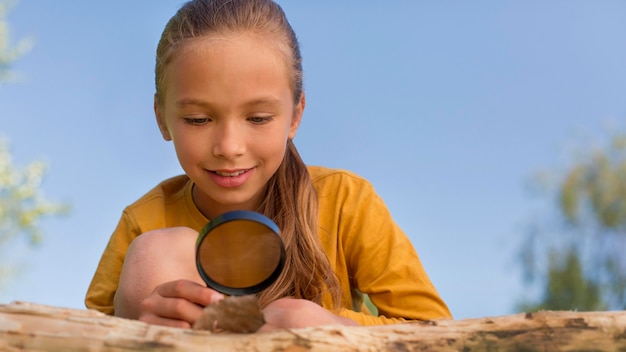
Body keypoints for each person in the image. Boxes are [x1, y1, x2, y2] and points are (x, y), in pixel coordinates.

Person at [85, 0, 451, 330]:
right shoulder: (145, 220)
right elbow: (80, 333)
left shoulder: (345, 202)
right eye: (198, 120)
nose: (229, 148)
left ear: (295, 116)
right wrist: (132, 325)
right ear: (162, 119)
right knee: (155, 254)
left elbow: (436, 331)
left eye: (258, 118)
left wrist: (334, 329)